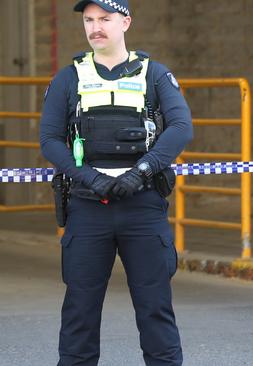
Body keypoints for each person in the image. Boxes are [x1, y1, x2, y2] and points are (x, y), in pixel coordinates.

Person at [39, 1, 192, 365]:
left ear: (125, 22)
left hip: (142, 207)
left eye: (104, 19)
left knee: (155, 309)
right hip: (87, 206)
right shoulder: (68, 77)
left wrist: (140, 172)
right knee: (80, 312)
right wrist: (88, 177)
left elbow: (181, 128)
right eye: (89, 20)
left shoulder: (154, 74)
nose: (95, 28)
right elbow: (49, 140)